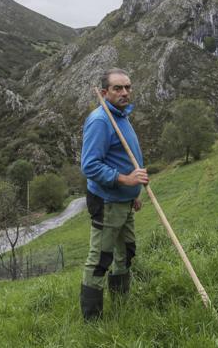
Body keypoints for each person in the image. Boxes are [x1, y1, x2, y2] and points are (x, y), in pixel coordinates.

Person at [79, 68, 148, 321]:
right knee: (100, 259)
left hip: (125, 201)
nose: (125, 92)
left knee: (125, 253)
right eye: (118, 88)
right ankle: (92, 321)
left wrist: (134, 192)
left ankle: (121, 305)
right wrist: (126, 180)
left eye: (128, 87)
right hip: (107, 202)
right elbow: (90, 165)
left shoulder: (121, 116)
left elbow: (123, 158)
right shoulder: (100, 120)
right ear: (105, 92)